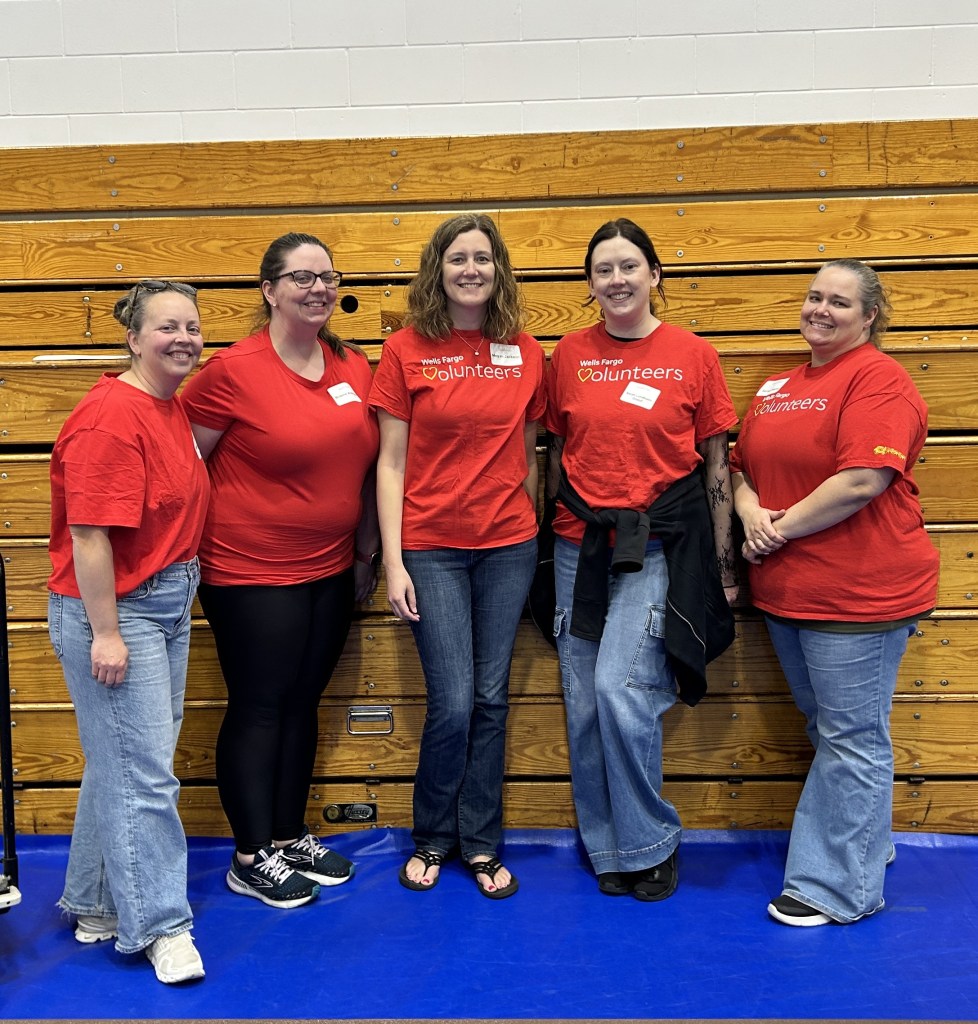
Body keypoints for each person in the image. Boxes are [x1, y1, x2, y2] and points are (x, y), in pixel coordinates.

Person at [731, 258, 940, 927]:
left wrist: (776, 530)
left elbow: (862, 481)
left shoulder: (880, 379)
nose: (820, 309)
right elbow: (739, 467)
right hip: (790, 591)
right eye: (815, 296)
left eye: (839, 303)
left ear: (870, 316)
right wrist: (748, 515)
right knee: (834, 731)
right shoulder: (777, 385)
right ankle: (864, 847)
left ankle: (834, 888)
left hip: (860, 592)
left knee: (851, 738)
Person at [181, 232, 379, 909]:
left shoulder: (353, 366)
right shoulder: (233, 371)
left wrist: (364, 552)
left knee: (302, 703)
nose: (318, 288)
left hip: (331, 569)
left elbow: (367, 466)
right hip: (250, 572)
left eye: (327, 277)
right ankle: (249, 854)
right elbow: (186, 464)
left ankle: (290, 835)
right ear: (269, 289)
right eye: (301, 277)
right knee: (261, 707)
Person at [545, 218, 738, 902]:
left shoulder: (693, 354)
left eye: (630, 266)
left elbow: (716, 463)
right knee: (583, 705)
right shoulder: (567, 354)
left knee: (620, 691)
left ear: (656, 274)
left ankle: (652, 840)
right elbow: (555, 451)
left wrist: (724, 566)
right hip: (579, 549)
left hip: (659, 549)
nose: (617, 279)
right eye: (603, 269)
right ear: (590, 283)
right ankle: (609, 847)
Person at [370, 213, 546, 899]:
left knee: (492, 698)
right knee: (452, 702)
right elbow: (389, 463)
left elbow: (531, 453)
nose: (470, 269)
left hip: (508, 547)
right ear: (436, 269)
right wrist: (393, 562)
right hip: (432, 547)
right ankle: (433, 836)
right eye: (457, 258)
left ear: (498, 269)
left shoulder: (525, 350)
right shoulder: (406, 350)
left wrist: (526, 524)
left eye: (483, 258)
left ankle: (480, 843)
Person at [49, 280, 208, 984]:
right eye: (167, 326)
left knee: (122, 761)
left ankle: (98, 899)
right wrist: (106, 634)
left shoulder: (164, 405)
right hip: (119, 609)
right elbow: (88, 536)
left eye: (193, 326)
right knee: (146, 774)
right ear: (133, 337)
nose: (184, 338)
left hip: (167, 598)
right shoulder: (111, 415)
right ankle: (161, 926)